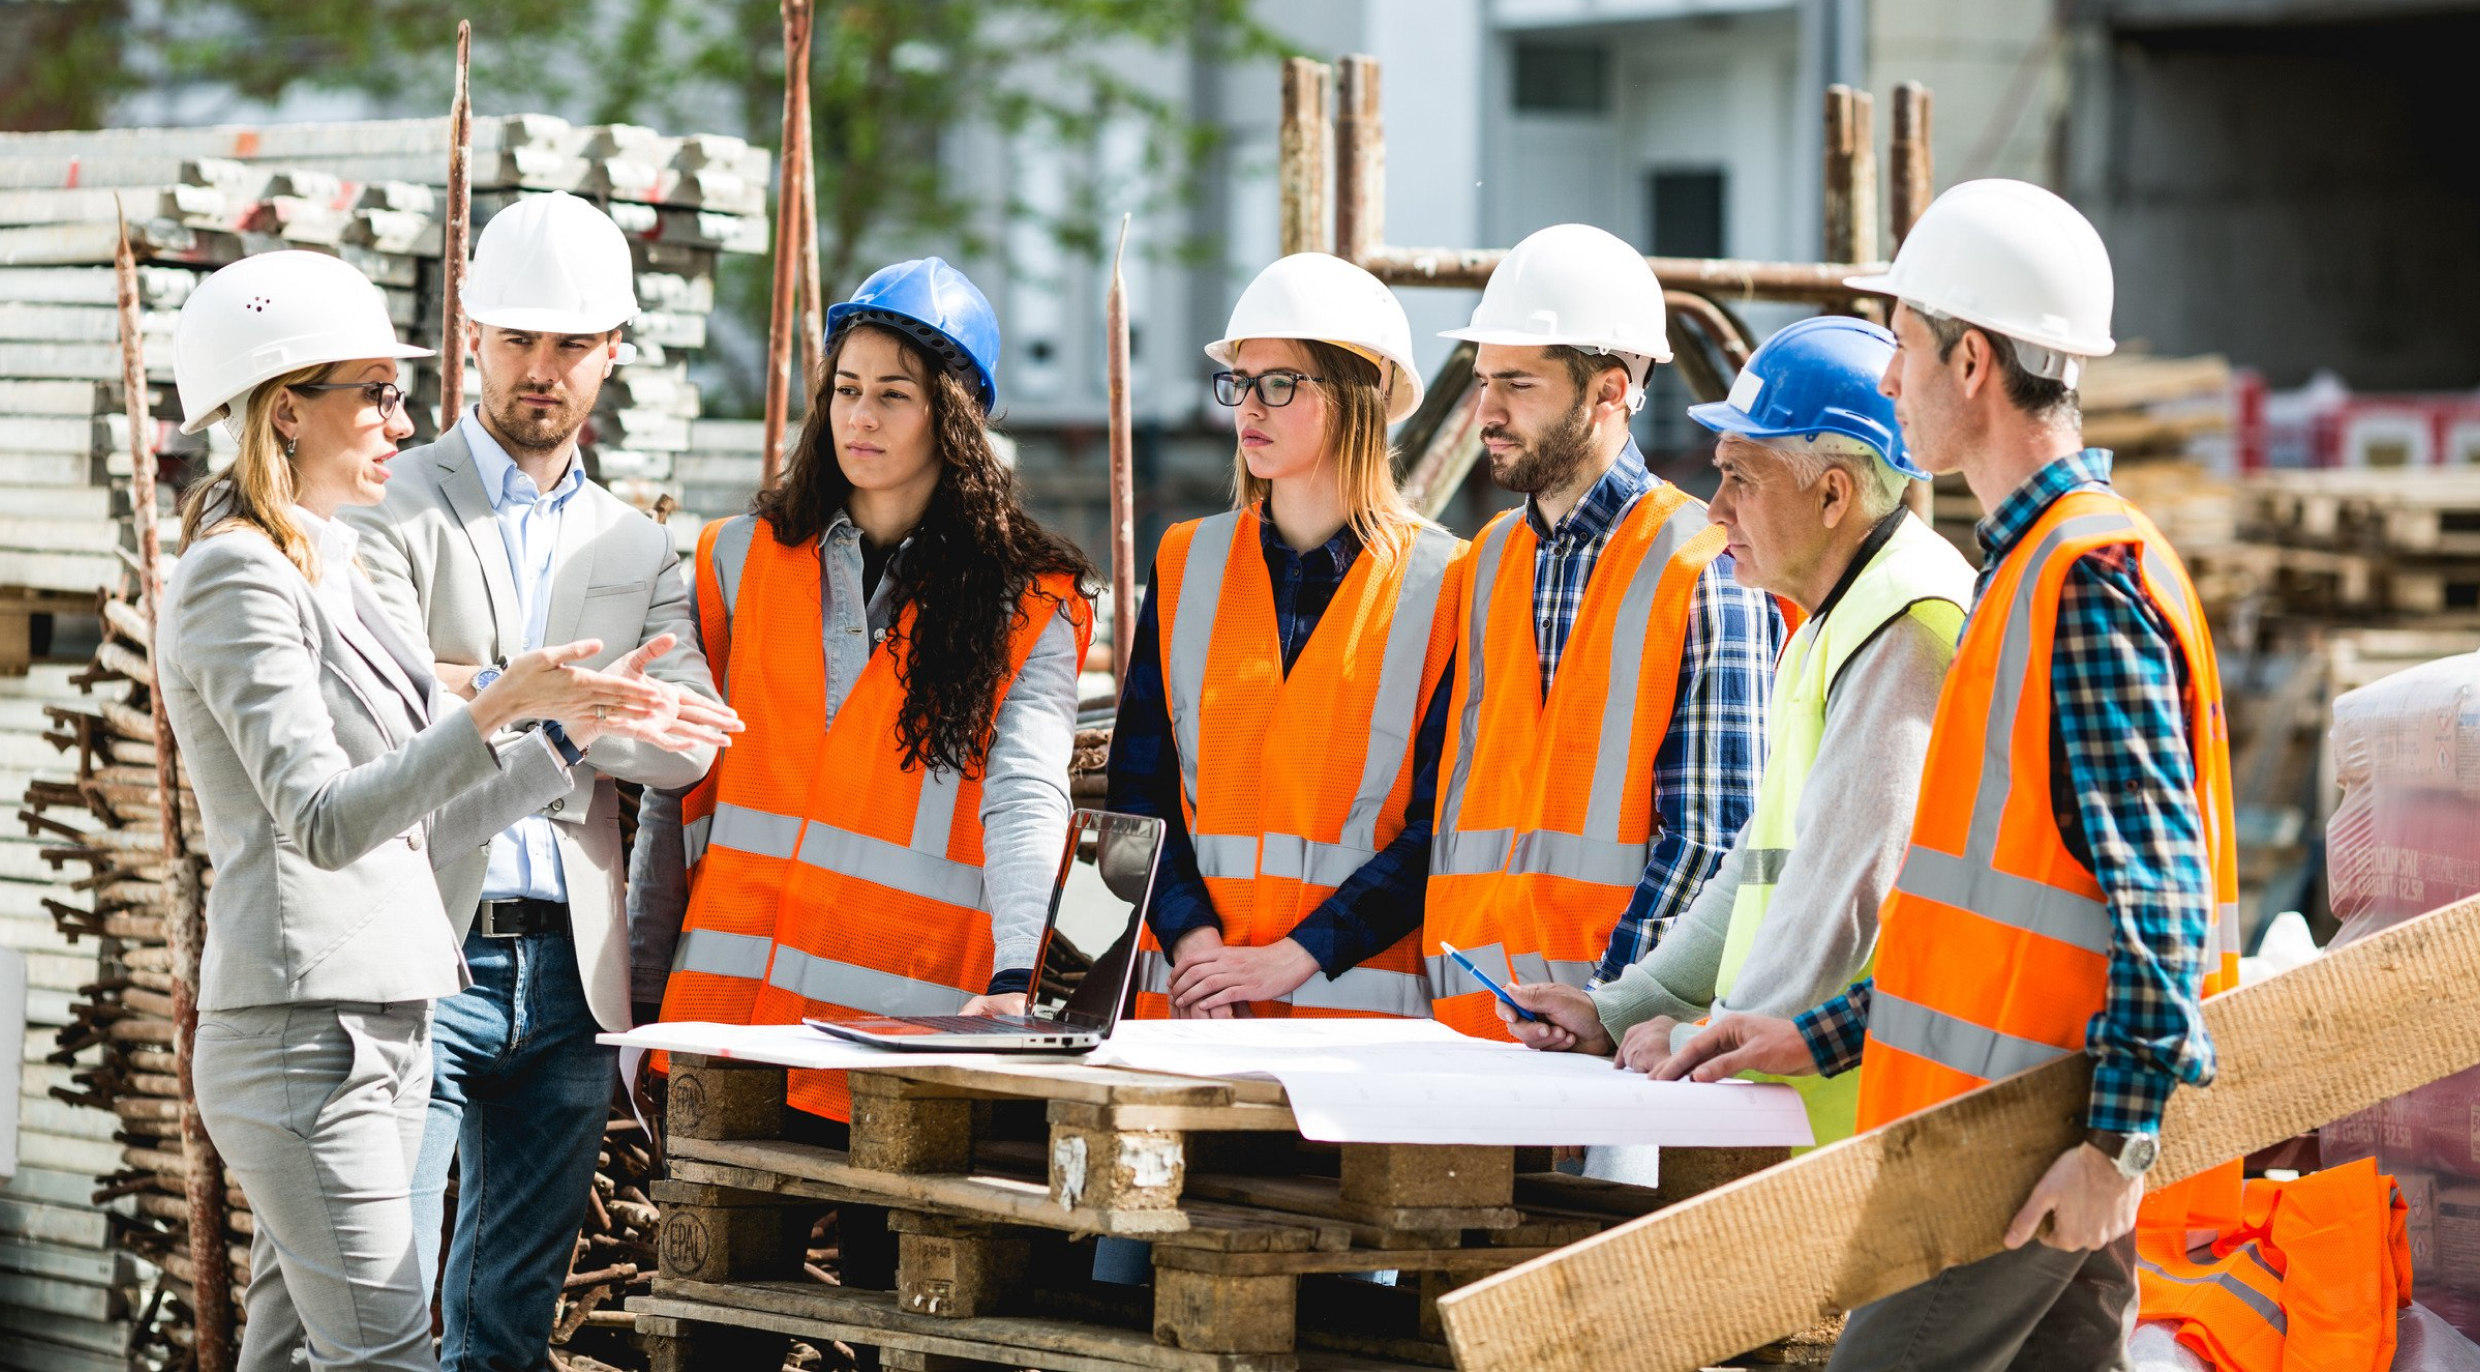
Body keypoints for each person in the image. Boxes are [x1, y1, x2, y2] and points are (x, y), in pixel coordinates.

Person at [1653, 179, 2241, 1371]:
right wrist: (1816, 1033)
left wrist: (2116, 1147)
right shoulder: (2028, 572)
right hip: (2014, 1119)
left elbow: (2159, 896)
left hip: (2021, 1139)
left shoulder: (2081, 580)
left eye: (1903, 347)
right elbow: (1983, 926)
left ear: (1970, 361)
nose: (1887, 380)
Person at [158, 250, 715, 1372]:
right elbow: (323, 821)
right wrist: (498, 703)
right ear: (284, 411)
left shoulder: (324, 566)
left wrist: (563, 730)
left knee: (290, 1357)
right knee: (387, 1358)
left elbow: (415, 828)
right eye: (375, 392)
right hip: (309, 1036)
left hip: (376, 1023)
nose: (402, 421)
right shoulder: (236, 576)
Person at [340, 192, 741, 1370]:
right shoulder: (389, 504)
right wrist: (565, 699)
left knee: (507, 1326)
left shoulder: (637, 544)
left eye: (570, 343)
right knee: (379, 1306)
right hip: (423, 943)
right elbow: (371, 714)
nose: (540, 368)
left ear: (613, 351)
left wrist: (498, 695)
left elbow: (684, 744)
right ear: (472, 337)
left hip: (569, 975)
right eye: (518, 338)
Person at [1495, 316, 1973, 1148]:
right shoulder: (1836, 620)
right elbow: (1760, 871)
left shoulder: (1904, 624)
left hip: (1871, 1135)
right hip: (1816, 1117)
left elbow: (1841, 897)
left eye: (1741, 479)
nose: (1714, 511)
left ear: (1833, 495)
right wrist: (1624, 1009)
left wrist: (1708, 1038)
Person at [646, 257, 1093, 1122]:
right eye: (846, 390)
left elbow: (1028, 795)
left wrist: (1016, 975)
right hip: (726, 1029)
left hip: (901, 1036)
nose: (860, 415)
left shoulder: (1030, 602)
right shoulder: (738, 558)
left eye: (894, 394)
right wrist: (636, 986)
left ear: (954, 415)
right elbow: (677, 793)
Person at [1423, 222, 1784, 1048]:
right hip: (1469, 1031)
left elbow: (1712, 842)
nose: (1486, 413)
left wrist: (1608, 1007)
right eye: (1483, 381)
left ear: (1609, 391)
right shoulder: (1486, 562)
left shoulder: (1703, 566)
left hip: (1619, 1045)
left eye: (1517, 384)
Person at [1107, 253, 1463, 1020]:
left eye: (1279, 384)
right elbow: (1137, 792)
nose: (1248, 408)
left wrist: (1291, 958)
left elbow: (1440, 827)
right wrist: (1193, 943)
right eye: (1239, 382)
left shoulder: (1449, 585)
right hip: (1191, 1018)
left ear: (1358, 393)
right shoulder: (1186, 561)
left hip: (1355, 1035)